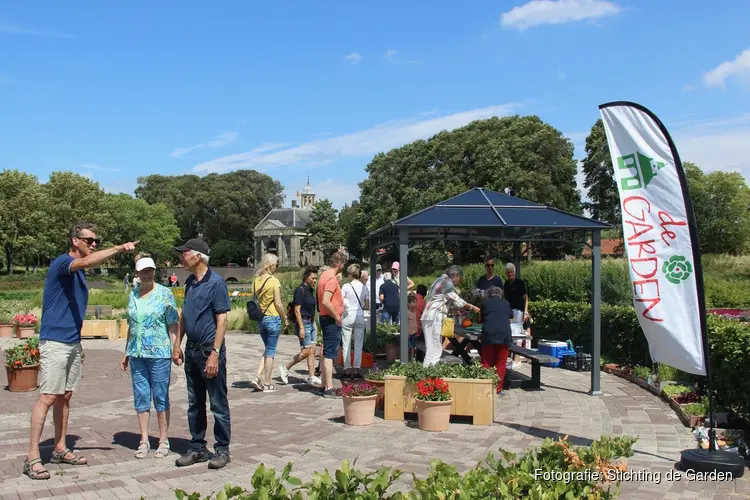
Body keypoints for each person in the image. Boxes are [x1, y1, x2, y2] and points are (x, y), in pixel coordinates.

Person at [24, 222, 137, 480]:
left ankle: (60, 448)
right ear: (76, 241)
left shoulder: (78, 273)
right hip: (55, 342)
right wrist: (118, 248)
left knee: (65, 396)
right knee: (48, 397)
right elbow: (88, 262)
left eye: (97, 241)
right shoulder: (63, 263)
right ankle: (32, 457)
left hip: (73, 342)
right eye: (90, 240)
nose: (94, 244)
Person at [172, 238, 232, 470]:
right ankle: (198, 447)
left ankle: (222, 450)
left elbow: (222, 320)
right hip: (192, 351)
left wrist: (215, 354)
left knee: (217, 403)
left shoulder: (216, 284)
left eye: (184, 253)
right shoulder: (190, 282)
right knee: (194, 403)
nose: (181, 257)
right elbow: (185, 315)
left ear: (197, 256)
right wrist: (178, 343)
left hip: (209, 351)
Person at [120, 254, 179, 459]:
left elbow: (173, 323)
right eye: (143, 271)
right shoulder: (133, 295)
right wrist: (127, 352)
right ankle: (144, 439)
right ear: (136, 273)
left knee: (160, 396)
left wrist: (175, 348)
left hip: (159, 353)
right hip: (137, 354)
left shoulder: (164, 294)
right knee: (141, 396)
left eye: (150, 270)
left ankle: (163, 440)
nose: (147, 274)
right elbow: (132, 325)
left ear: (154, 271)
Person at [420, 265, 480, 367]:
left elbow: (444, 300)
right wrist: (472, 307)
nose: (458, 282)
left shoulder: (439, 279)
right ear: (455, 275)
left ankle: (425, 376)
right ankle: (431, 377)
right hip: (435, 316)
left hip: (427, 316)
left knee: (430, 349)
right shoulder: (448, 283)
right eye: (459, 279)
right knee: (436, 350)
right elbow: (458, 301)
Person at [278, 266, 321, 387]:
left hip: (311, 322)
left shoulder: (310, 290)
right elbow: (297, 310)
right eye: (313, 278)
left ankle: (312, 376)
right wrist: (301, 327)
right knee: (306, 351)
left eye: (316, 278)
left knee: (312, 350)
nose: (314, 280)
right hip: (304, 323)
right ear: (306, 277)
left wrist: (314, 323)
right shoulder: (300, 290)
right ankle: (285, 367)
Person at [250, 253, 286, 393]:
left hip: (260, 319)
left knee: (267, 349)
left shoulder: (255, 281)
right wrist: (285, 317)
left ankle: (258, 377)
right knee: (270, 351)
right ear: (271, 265)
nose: (277, 267)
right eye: (276, 265)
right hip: (272, 318)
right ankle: (267, 383)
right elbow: (278, 303)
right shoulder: (274, 281)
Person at [317, 252, 346, 397]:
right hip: (330, 319)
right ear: (340, 264)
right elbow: (325, 301)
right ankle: (329, 387)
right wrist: (337, 317)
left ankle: (323, 384)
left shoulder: (323, 275)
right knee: (329, 353)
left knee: (325, 351)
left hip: (324, 317)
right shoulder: (331, 279)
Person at [479, 286, 513, 395]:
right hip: (504, 334)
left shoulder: (485, 303)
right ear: (500, 294)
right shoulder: (506, 303)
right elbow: (511, 316)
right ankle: (498, 389)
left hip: (489, 333)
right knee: (501, 363)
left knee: (487, 362)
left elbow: (481, 319)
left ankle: (486, 387)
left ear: (489, 294)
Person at [340, 263, 369, 379]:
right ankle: (357, 370)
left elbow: (341, 301)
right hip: (359, 315)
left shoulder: (346, 286)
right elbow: (367, 305)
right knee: (358, 344)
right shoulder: (364, 287)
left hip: (348, 315)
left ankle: (347, 370)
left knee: (346, 343)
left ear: (351, 274)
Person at [504, 263, 529, 367]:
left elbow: (526, 298)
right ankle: (514, 359)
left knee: (517, 335)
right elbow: (505, 299)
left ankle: (517, 360)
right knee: (511, 334)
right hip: (510, 312)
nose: (510, 274)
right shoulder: (506, 284)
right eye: (508, 272)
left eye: (512, 272)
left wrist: (526, 311)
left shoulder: (520, 283)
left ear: (514, 272)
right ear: (506, 273)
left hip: (519, 311)